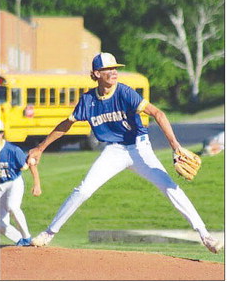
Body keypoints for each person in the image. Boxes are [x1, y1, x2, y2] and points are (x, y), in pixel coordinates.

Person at [28, 52, 222, 253]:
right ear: (96, 73)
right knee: (83, 190)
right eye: (108, 69)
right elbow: (66, 124)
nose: (114, 72)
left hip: (140, 148)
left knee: (170, 187)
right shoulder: (87, 101)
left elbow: (158, 113)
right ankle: (48, 233)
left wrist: (176, 146)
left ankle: (205, 235)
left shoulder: (124, 92)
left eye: (115, 68)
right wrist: (41, 147)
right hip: (113, 152)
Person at [0, 120, 42, 246]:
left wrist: (37, 184)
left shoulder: (12, 150)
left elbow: (31, 164)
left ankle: (27, 237)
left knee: (12, 206)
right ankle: (21, 240)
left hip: (14, 183)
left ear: (2, 134)